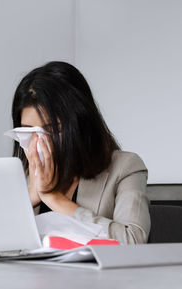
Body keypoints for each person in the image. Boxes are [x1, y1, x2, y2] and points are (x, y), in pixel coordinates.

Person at [11, 61, 150, 244]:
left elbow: (133, 242)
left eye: (52, 129)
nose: (39, 142)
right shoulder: (20, 173)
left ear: (80, 123)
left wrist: (56, 200)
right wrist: (30, 197)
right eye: (28, 132)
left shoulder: (126, 167)